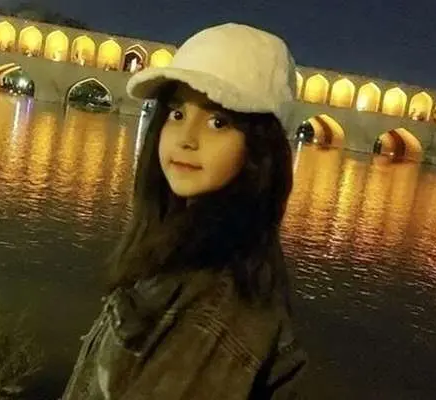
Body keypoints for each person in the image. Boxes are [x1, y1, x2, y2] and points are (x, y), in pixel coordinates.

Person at [62, 22, 307, 400]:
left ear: (260, 148)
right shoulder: (181, 251)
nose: (186, 139)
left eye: (218, 122)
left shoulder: (218, 303)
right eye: (177, 113)